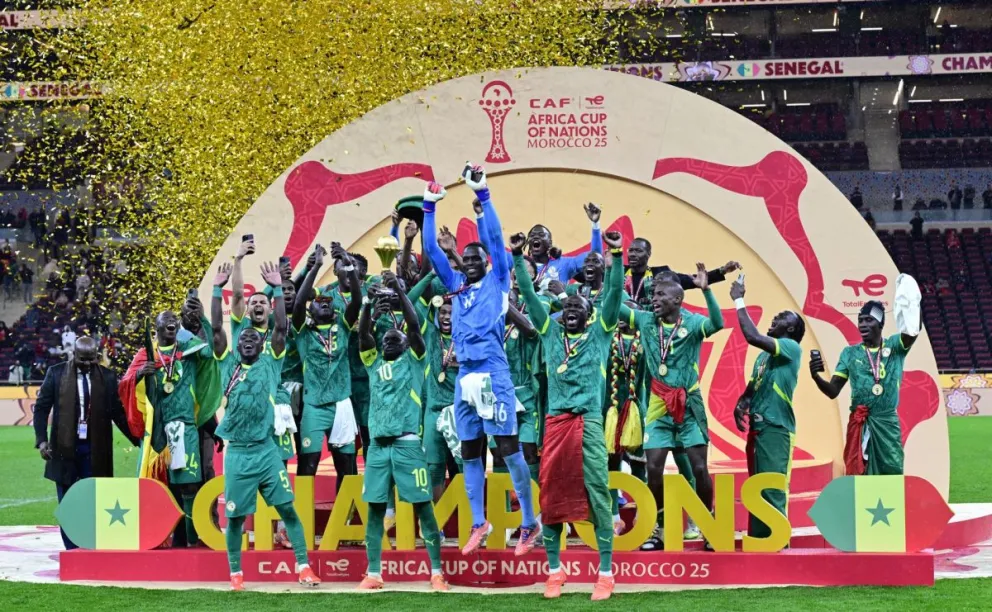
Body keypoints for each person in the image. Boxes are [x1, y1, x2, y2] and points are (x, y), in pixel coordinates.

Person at [421, 163, 539, 555]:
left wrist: (484, 195)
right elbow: (431, 252)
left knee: (507, 450)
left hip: (493, 374)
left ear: (487, 263)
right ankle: (478, 521)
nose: (469, 261)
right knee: (469, 450)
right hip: (463, 380)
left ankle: (529, 522)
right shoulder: (455, 288)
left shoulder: (498, 280)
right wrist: (429, 207)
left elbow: (496, 237)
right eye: (465, 259)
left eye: (476, 258)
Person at [511, 229, 624, 601]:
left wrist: (617, 254)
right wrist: (515, 257)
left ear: (592, 317)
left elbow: (613, 295)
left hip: (588, 421)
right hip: (555, 424)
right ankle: (555, 572)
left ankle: (605, 574)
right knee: (552, 497)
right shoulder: (548, 332)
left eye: (580, 308)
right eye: (567, 308)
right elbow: (527, 294)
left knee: (596, 492)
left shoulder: (600, 334)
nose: (572, 311)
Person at [210, 261, 319, 590]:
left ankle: (303, 567)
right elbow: (217, 330)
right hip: (238, 456)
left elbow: (282, 329)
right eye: (240, 337)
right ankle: (236, 574)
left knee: (288, 510)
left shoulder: (272, 361)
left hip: (267, 452)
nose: (245, 341)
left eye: (251, 339)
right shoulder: (226, 361)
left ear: (261, 344)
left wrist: (276, 291)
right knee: (236, 519)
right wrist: (217, 288)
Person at [619, 265, 725, 551]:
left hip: (688, 404)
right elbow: (614, 305)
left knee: (699, 468)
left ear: (678, 300)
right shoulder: (644, 321)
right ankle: (657, 529)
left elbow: (718, 323)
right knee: (653, 469)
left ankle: (709, 524)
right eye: (652, 294)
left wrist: (707, 290)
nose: (654, 298)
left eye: (661, 294)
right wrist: (614, 265)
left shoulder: (691, 324)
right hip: (657, 405)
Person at [356, 270, 448, 592]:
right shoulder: (372, 363)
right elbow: (364, 335)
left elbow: (412, 325)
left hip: (408, 446)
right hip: (378, 448)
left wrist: (399, 290)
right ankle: (373, 574)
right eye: (386, 338)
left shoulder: (416, 361)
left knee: (424, 507)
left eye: (396, 337)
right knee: (375, 509)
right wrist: (367, 302)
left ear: (409, 342)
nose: (390, 338)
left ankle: (436, 572)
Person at [34, 337, 140, 549]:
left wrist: (137, 439)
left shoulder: (108, 377)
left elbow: (117, 413)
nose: (88, 364)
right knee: (68, 502)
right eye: (83, 359)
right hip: (64, 449)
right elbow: (41, 408)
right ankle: (72, 548)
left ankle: (92, 543)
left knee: (95, 499)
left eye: (92, 359)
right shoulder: (56, 373)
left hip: (95, 449)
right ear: (73, 354)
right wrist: (42, 441)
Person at [729, 279, 805, 540]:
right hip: (759, 429)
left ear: (791, 328)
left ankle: (778, 543)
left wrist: (738, 300)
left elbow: (751, 336)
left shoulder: (791, 348)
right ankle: (761, 543)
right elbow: (753, 389)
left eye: (781, 317)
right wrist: (742, 403)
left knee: (772, 487)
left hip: (776, 428)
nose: (774, 318)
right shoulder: (764, 358)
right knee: (756, 489)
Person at [809, 300, 918, 475]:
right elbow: (832, 391)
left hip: (886, 423)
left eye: (869, 320)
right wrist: (816, 376)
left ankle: (889, 502)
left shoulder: (895, 346)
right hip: (859, 423)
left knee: (891, 470)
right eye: (860, 320)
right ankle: (861, 503)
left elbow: (912, 332)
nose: (863, 324)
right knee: (858, 472)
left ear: (880, 323)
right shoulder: (850, 353)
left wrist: (911, 300)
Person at [133, 308, 210, 546]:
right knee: (160, 485)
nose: (172, 322)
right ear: (155, 327)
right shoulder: (145, 354)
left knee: (188, 483)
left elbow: (211, 352)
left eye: (175, 320)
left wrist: (202, 320)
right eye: (166, 320)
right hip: (157, 431)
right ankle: (160, 536)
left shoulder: (187, 350)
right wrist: (138, 375)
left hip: (183, 425)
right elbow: (125, 385)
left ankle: (190, 538)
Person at [293, 245, 362, 489]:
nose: (324, 302)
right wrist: (315, 267)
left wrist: (348, 264)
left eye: (328, 301)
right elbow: (299, 301)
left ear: (335, 309)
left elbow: (357, 298)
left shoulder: (343, 325)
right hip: (314, 407)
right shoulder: (303, 332)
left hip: (341, 404)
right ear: (311, 310)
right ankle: (300, 520)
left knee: (346, 466)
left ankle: (343, 522)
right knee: (307, 465)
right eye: (319, 301)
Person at [625, 238, 739, 309]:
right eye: (631, 250)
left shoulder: (660, 274)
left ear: (648, 254)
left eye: (638, 251)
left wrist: (722, 270)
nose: (633, 254)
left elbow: (694, 280)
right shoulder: (618, 272)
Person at [422, 296, 461, 501]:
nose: (446, 317)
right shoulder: (430, 335)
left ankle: (468, 520)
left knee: (463, 466)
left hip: (460, 410)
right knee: (434, 465)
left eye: (452, 313)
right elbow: (414, 306)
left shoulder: (467, 338)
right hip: (434, 409)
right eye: (443, 312)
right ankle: (437, 520)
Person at [524, 202, 602, 282]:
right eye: (532, 235)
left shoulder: (564, 263)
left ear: (550, 243)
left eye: (541, 235)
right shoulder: (521, 265)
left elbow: (596, 256)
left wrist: (595, 224)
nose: (536, 237)